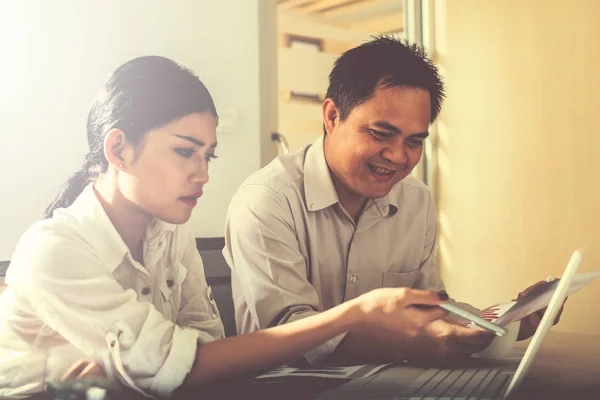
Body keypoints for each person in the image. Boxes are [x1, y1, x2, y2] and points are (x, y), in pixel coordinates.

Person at [0, 56, 451, 399]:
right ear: (119, 148)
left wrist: (152, 365)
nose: (203, 174)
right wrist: (355, 313)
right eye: (184, 152)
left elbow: (205, 347)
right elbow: (185, 364)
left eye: (208, 155)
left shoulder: (170, 232)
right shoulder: (53, 250)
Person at [223, 36, 562, 367]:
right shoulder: (266, 201)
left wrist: (504, 322)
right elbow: (289, 336)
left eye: (414, 141)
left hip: (390, 382)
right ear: (331, 116)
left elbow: (431, 307)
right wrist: (410, 343)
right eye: (381, 134)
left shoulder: (415, 200)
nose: (398, 156)